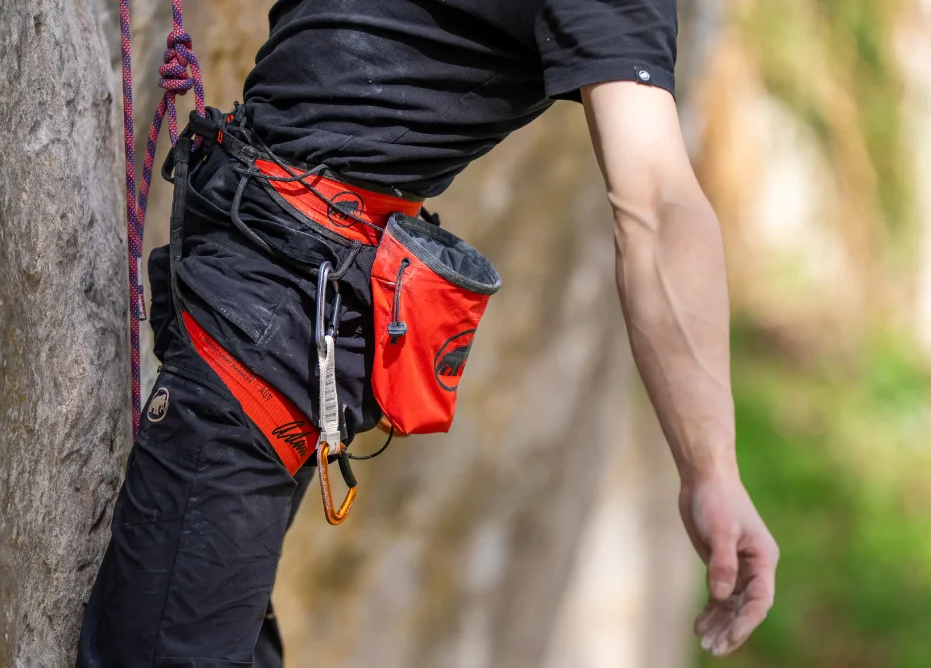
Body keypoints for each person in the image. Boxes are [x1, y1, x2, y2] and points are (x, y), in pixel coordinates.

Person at [76, 0, 780, 665]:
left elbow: (657, 207)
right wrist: (709, 468)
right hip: (266, 307)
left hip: (264, 304)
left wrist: (708, 465)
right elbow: (655, 201)